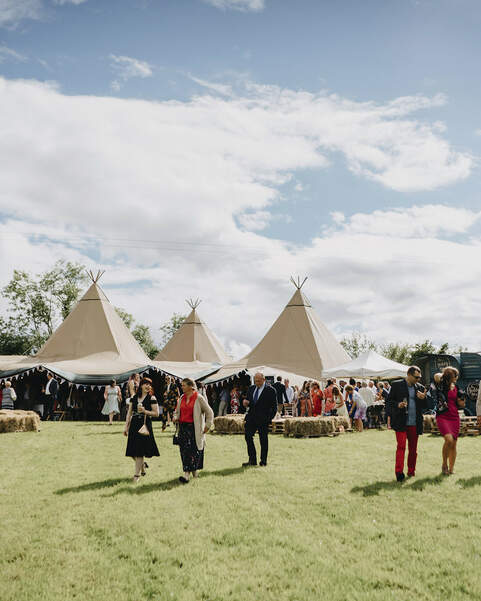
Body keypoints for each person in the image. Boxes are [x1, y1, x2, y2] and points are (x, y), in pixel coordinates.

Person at [386, 366, 428, 482]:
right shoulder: (396, 385)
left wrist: (423, 398)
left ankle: (411, 471)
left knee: (413, 450)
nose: (418, 379)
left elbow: (425, 406)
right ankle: (399, 473)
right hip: (401, 422)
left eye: (419, 377)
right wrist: (398, 404)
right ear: (409, 375)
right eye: (416, 377)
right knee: (401, 447)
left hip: (415, 423)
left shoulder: (420, 387)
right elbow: (389, 402)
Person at [173, 377, 214, 483]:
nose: (181, 387)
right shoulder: (181, 397)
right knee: (184, 452)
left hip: (194, 429)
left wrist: (208, 425)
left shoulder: (199, 398)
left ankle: (186, 476)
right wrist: (175, 417)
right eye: (181, 385)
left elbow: (210, 412)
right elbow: (176, 411)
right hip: (183, 428)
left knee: (192, 452)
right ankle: (194, 475)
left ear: (191, 386)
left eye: (183, 385)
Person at [124, 377, 160, 483]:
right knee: (132, 451)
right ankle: (142, 465)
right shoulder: (134, 397)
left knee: (139, 451)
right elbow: (129, 413)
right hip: (134, 425)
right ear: (141, 385)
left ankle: (136, 475)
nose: (148, 386)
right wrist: (126, 426)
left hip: (144, 425)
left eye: (150, 385)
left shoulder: (152, 398)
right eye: (146, 384)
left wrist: (145, 411)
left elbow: (156, 414)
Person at [242, 372, 277, 467]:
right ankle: (252, 460)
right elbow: (250, 402)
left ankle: (263, 461)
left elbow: (274, 408)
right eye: (255, 380)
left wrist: (268, 419)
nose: (256, 382)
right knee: (248, 437)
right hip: (251, 418)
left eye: (258, 381)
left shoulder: (271, 390)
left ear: (263, 379)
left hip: (263, 419)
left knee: (263, 440)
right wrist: (245, 403)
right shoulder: (251, 388)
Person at [434, 367, 464, 475]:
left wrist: (461, 401)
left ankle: (451, 469)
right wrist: (446, 373)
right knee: (449, 439)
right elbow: (436, 376)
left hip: (454, 417)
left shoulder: (457, 387)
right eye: (455, 375)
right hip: (443, 416)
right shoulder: (441, 385)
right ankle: (444, 464)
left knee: (454, 444)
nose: (457, 377)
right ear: (450, 376)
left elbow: (460, 404)